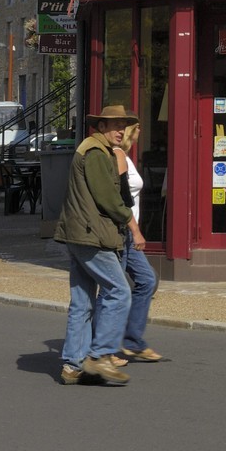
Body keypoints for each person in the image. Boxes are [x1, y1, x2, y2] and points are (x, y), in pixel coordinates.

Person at [53, 103, 138, 385]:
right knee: (120, 291)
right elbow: (108, 199)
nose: (120, 130)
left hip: (80, 233)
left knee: (82, 301)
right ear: (101, 126)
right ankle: (99, 355)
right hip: (92, 235)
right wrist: (133, 225)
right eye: (114, 125)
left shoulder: (93, 149)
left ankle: (72, 365)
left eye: (123, 125)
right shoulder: (96, 152)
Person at [114, 123, 162, 362]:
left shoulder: (126, 157)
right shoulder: (116, 155)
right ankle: (106, 346)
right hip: (122, 232)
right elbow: (120, 199)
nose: (141, 132)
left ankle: (132, 340)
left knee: (146, 280)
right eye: (137, 128)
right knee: (116, 290)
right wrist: (135, 229)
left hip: (130, 233)